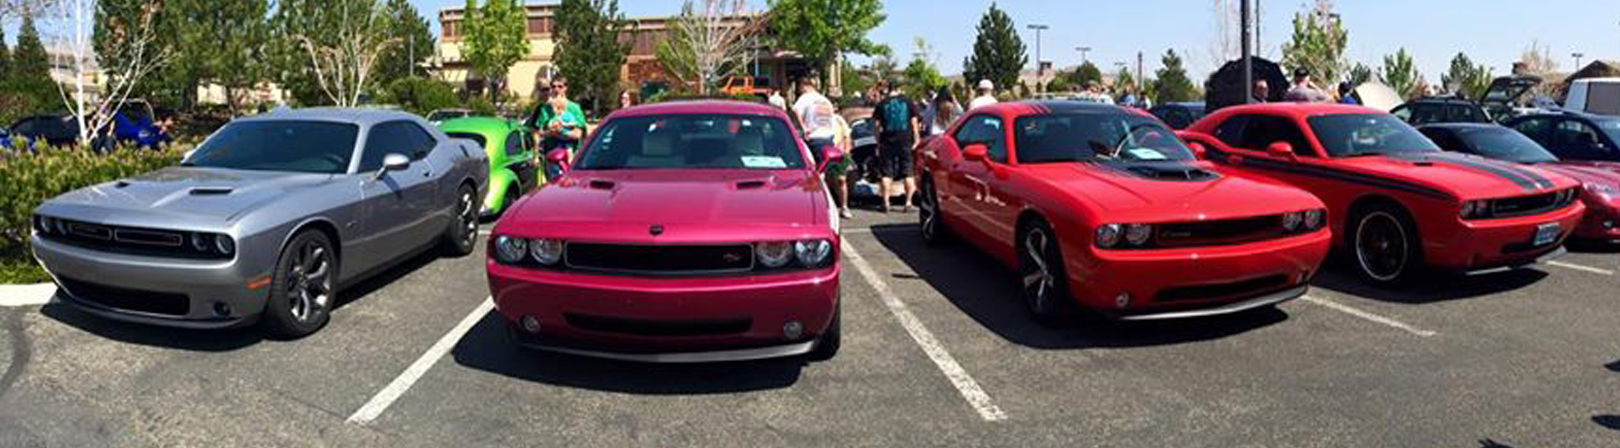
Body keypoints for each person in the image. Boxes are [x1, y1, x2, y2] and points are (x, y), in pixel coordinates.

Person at [872, 79, 922, 213]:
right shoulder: (908, 102)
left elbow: (876, 126)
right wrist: (916, 138)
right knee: (908, 172)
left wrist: (877, 142)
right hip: (905, 140)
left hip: (887, 141)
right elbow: (914, 122)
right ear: (900, 88)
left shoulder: (882, 104)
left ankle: (886, 202)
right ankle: (908, 203)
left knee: (886, 173)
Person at [528, 77, 586, 180]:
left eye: (560, 86)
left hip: (571, 157)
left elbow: (578, 134)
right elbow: (537, 132)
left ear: (565, 88)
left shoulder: (574, 108)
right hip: (551, 156)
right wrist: (535, 155)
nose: (556, 89)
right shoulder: (545, 109)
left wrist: (561, 132)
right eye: (553, 86)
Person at [826, 112, 855, 219]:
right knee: (826, 181)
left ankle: (844, 207)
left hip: (839, 153)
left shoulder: (838, 119)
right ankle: (827, 207)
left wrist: (846, 153)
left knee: (841, 180)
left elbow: (847, 136)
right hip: (824, 152)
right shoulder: (819, 119)